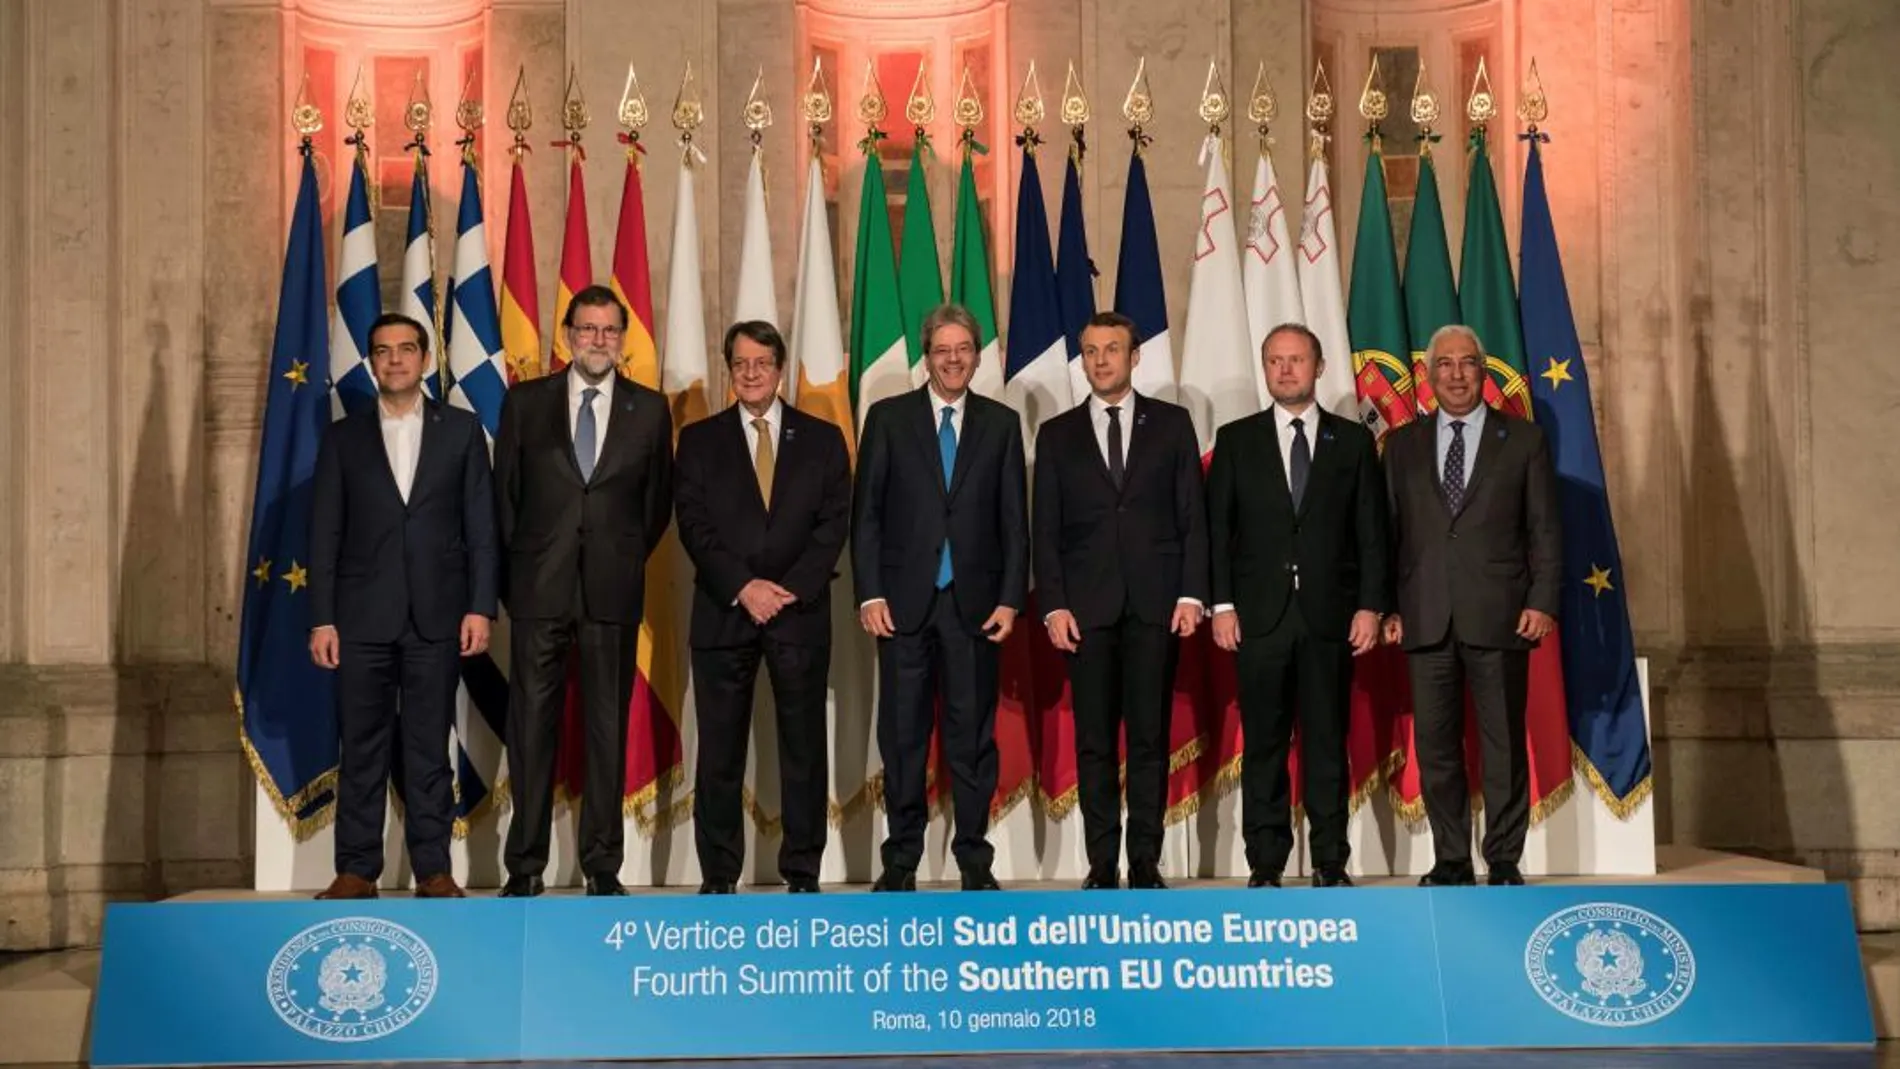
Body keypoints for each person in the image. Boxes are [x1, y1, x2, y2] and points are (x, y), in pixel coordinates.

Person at [308, 311, 498, 900]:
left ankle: (433, 869)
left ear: (426, 359)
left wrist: (480, 607)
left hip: (438, 617)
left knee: (427, 745)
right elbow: (324, 534)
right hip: (360, 618)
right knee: (360, 746)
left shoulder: (462, 432)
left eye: (407, 349)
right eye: (384, 351)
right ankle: (356, 869)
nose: (395, 359)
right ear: (371, 361)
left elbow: (482, 528)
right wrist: (322, 616)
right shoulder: (343, 438)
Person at [492, 284, 674, 897]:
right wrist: (519, 577)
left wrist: (616, 559)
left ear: (623, 340)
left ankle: (602, 866)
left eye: (610, 331)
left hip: (612, 592)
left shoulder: (649, 410)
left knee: (605, 731)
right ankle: (525, 867)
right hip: (538, 591)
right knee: (530, 731)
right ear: (567, 336)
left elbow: (653, 509)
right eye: (587, 329)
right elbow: (505, 498)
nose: (598, 340)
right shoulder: (525, 402)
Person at [852, 304, 1027, 892]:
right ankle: (900, 860)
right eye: (942, 350)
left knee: (972, 739)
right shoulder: (888, 418)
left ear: (978, 355)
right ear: (925, 357)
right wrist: (870, 592)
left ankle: (974, 859)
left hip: (975, 608)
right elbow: (867, 516)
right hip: (901, 606)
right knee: (901, 738)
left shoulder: (1001, 425)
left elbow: (1014, 524)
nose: (953, 360)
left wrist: (1009, 600)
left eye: (963, 350)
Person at [1207, 323, 1388, 889]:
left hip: (1330, 617)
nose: (1285, 370)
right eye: (1275, 361)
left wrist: (1370, 607)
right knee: (1263, 743)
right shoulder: (1237, 440)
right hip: (1258, 618)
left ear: (1319, 366)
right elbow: (1219, 533)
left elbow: (1372, 534)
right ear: (1265, 368)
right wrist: (1221, 605)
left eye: (1297, 360)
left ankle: (1331, 859)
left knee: (1328, 741)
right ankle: (1265, 861)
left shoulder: (1353, 441)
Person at [1382, 323, 1561, 887]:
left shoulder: (1524, 440)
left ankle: (1503, 858)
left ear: (1482, 371)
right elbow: (1388, 535)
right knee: (1436, 748)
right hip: (1425, 615)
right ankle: (1452, 858)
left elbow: (1545, 533)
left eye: (1466, 363)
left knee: (1503, 743)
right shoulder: (1403, 444)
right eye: (1445, 365)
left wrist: (1542, 600)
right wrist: (1388, 607)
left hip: (1501, 614)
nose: (1456, 374)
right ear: (1428, 375)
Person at [1032, 311, 1207, 890]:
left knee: (1151, 738)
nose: (1101, 360)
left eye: (1112, 349)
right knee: (1095, 741)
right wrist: (1054, 606)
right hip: (1086, 612)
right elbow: (1046, 531)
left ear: (1136, 357)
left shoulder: (1173, 424)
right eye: (1090, 350)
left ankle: (1147, 861)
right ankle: (1102, 862)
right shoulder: (1056, 435)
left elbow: (1192, 518)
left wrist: (1191, 593)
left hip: (1156, 606)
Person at [675, 321, 851, 895]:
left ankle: (803, 872)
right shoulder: (700, 440)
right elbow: (694, 527)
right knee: (720, 753)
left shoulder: (822, 440)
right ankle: (719, 875)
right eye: (741, 363)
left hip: (798, 615)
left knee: (802, 749)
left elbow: (832, 526)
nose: (751, 373)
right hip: (725, 613)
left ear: (779, 368)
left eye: (763, 363)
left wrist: (788, 589)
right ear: (729, 370)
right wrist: (745, 587)